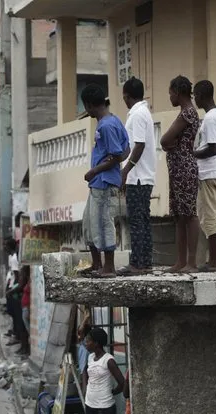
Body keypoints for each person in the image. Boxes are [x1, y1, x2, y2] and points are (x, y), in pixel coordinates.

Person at [79, 84, 129, 278]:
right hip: (99, 182)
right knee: (89, 223)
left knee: (103, 222)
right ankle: (97, 263)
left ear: (90, 105)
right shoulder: (113, 120)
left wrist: (94, 171)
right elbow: (126, 149)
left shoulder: (107, 126)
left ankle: (109, 267)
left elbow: (117, 155)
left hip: (104, 182)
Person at [160, 76, 201, 273]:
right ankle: (180, 262)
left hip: (185, 168)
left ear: (178, 91)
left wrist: (170, 144)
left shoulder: (188, 113)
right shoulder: (185, 113)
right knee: (179, 216)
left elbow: (165, 139)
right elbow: (167, 141)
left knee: (189, 214)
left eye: (170, 93)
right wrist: (169, 144)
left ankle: (191, 262)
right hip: (178, 169)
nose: (170, 97)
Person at [119, 77, 156, 276]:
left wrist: (126, 171)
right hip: (141, 175)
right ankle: (144, 262)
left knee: (137, 221)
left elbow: (139, 145)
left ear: (126, 96)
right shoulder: (142, 113)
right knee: (142, 220)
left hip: (139, 177)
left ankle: (138, 264)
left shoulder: (138, 115)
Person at [193, 79, 216, 273]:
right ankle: (210, 260)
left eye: (195, 95)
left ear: (202, 96)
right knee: (205, 215)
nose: (195, 99)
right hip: (211, 171)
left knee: (209, 215)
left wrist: (192, 154)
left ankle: (213, 262)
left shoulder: (211, 118)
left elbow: (212, 148)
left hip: (208, 172)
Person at [83, 328, 125, 414]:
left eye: (88, 341)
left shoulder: (108, 360)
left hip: (105, 408)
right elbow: (85, 371)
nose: (86, 343)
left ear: (96, 343)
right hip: (89, 404)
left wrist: (113, 392)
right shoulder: (90, 357)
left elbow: (122, 382)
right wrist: (85, 387)